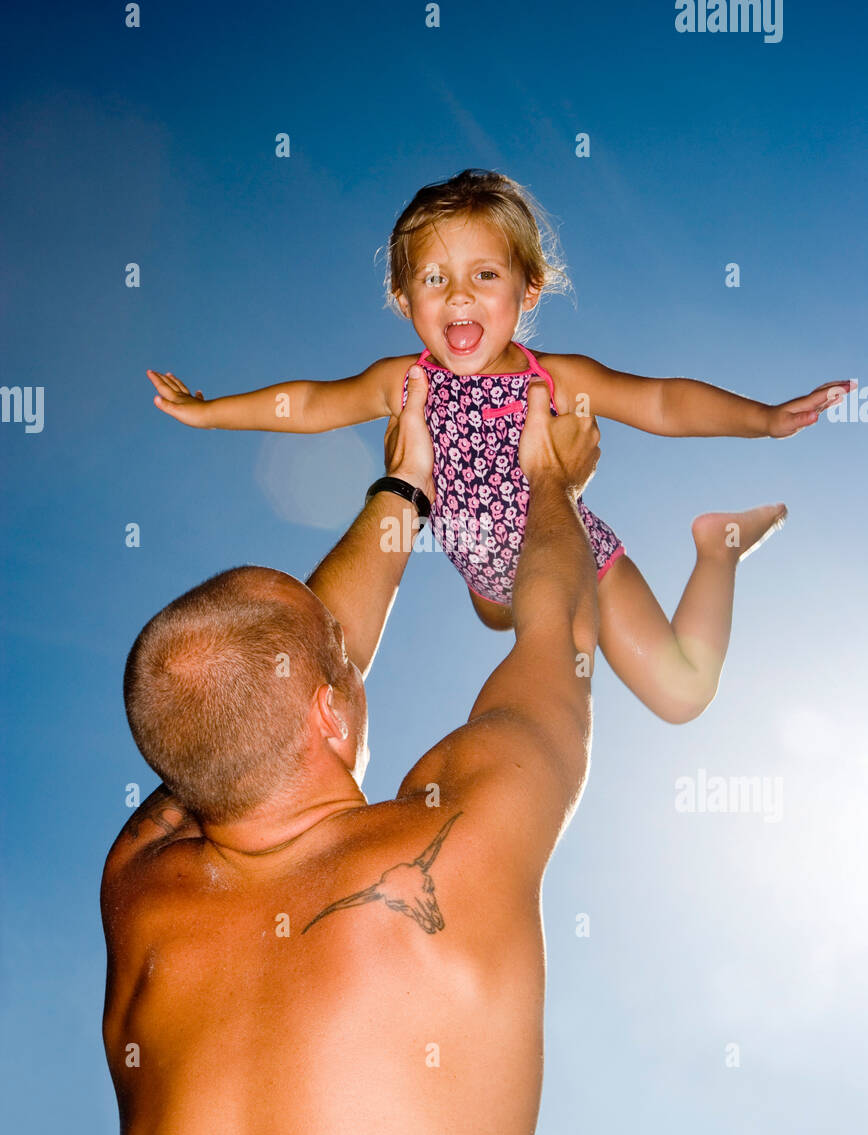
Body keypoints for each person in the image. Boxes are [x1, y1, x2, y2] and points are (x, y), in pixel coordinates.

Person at [102, 368, 601, 1135]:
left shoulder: (139, 884)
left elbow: (237, 715)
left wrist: (407, 485)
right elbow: (559, 636)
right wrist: (552, 479)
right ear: (331, 714)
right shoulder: (459, 841)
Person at [144, 168, 852, 724]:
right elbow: (309, 403)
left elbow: (661, 400)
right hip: (487, 581)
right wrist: (209, 413)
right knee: (495, 613)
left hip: (580, 559)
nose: (459, 297)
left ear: (528, 290)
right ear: (402, 297)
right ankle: (508, 594)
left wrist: (763, 418)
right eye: (434, 279)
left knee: (682, 694)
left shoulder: (556, 379)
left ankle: (717, 547)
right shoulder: (405, 381)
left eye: (485, 276)